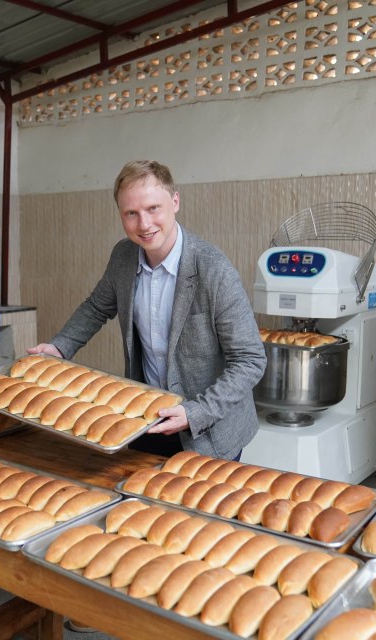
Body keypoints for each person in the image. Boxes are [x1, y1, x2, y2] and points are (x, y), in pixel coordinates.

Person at [28, 160, 266, 460]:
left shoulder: (214, 269)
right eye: (131, 213)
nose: (144, 224)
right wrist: (59, 348)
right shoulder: (123, 257)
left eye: (153, 208)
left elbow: (250, 360)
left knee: (193, 508)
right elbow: (95, 308)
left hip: (209, 430)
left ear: (175, 201)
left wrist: (196, 412)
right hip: (148, 417)